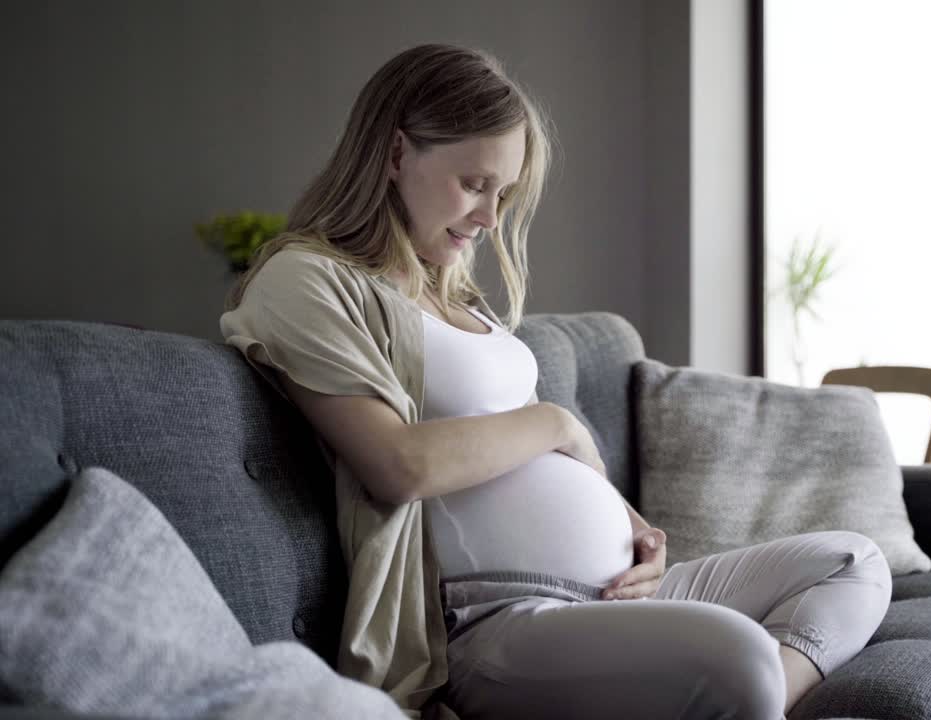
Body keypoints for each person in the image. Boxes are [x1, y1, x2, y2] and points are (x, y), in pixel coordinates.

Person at [220, 43, 892, 720]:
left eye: (503, 194)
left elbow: (515, 448)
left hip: (616, 595)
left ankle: (756, 701)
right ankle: (746, 694)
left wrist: (629, 523)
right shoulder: (305, 281)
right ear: (396, 153)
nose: (490, 218)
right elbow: (398, 465)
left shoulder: (456, 295)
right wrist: (556, 423)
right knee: (740, 658)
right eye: (474, 183)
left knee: (854, 562)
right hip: (497, 619)